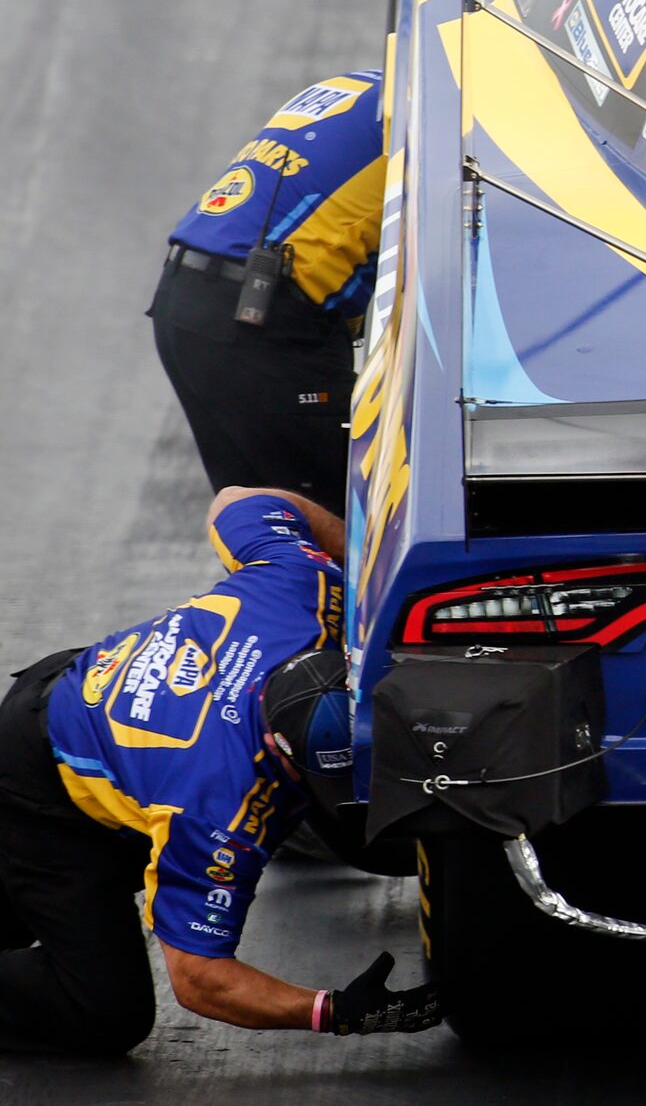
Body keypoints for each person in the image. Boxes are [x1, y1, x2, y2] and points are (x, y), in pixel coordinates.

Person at [0, 485, 439, 1054]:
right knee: (105, 1012)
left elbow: (240, 497)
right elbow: (200, 980)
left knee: (370, 836)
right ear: (277, 753)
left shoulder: (306, 585)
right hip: (47, 795)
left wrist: (367, 575)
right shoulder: (216, 808)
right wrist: (335, 1011)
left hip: (98, 698)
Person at [150, 70, 385, 514]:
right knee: (350, 514)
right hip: (260, 317)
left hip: (184, 297)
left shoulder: (356, 84)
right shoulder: (433, 107)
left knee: (259, 511)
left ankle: (271, 584)